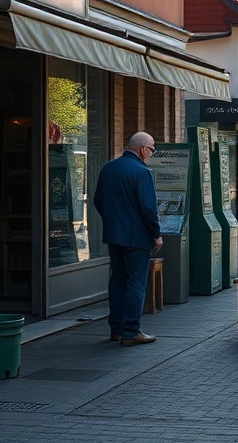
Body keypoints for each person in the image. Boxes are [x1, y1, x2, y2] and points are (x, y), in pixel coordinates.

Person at [93, 132, 163, 346]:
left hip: (114, 235)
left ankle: (116, 329)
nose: (151, 154)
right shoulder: (142, 172)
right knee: (135, 282)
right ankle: (131, 330)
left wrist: (113, 221)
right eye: (152, 150)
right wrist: (156, 233)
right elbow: (149, 208)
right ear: (142, 148)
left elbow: (98, 200)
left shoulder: (109, 168)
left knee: (117, 279)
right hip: (137, 238)